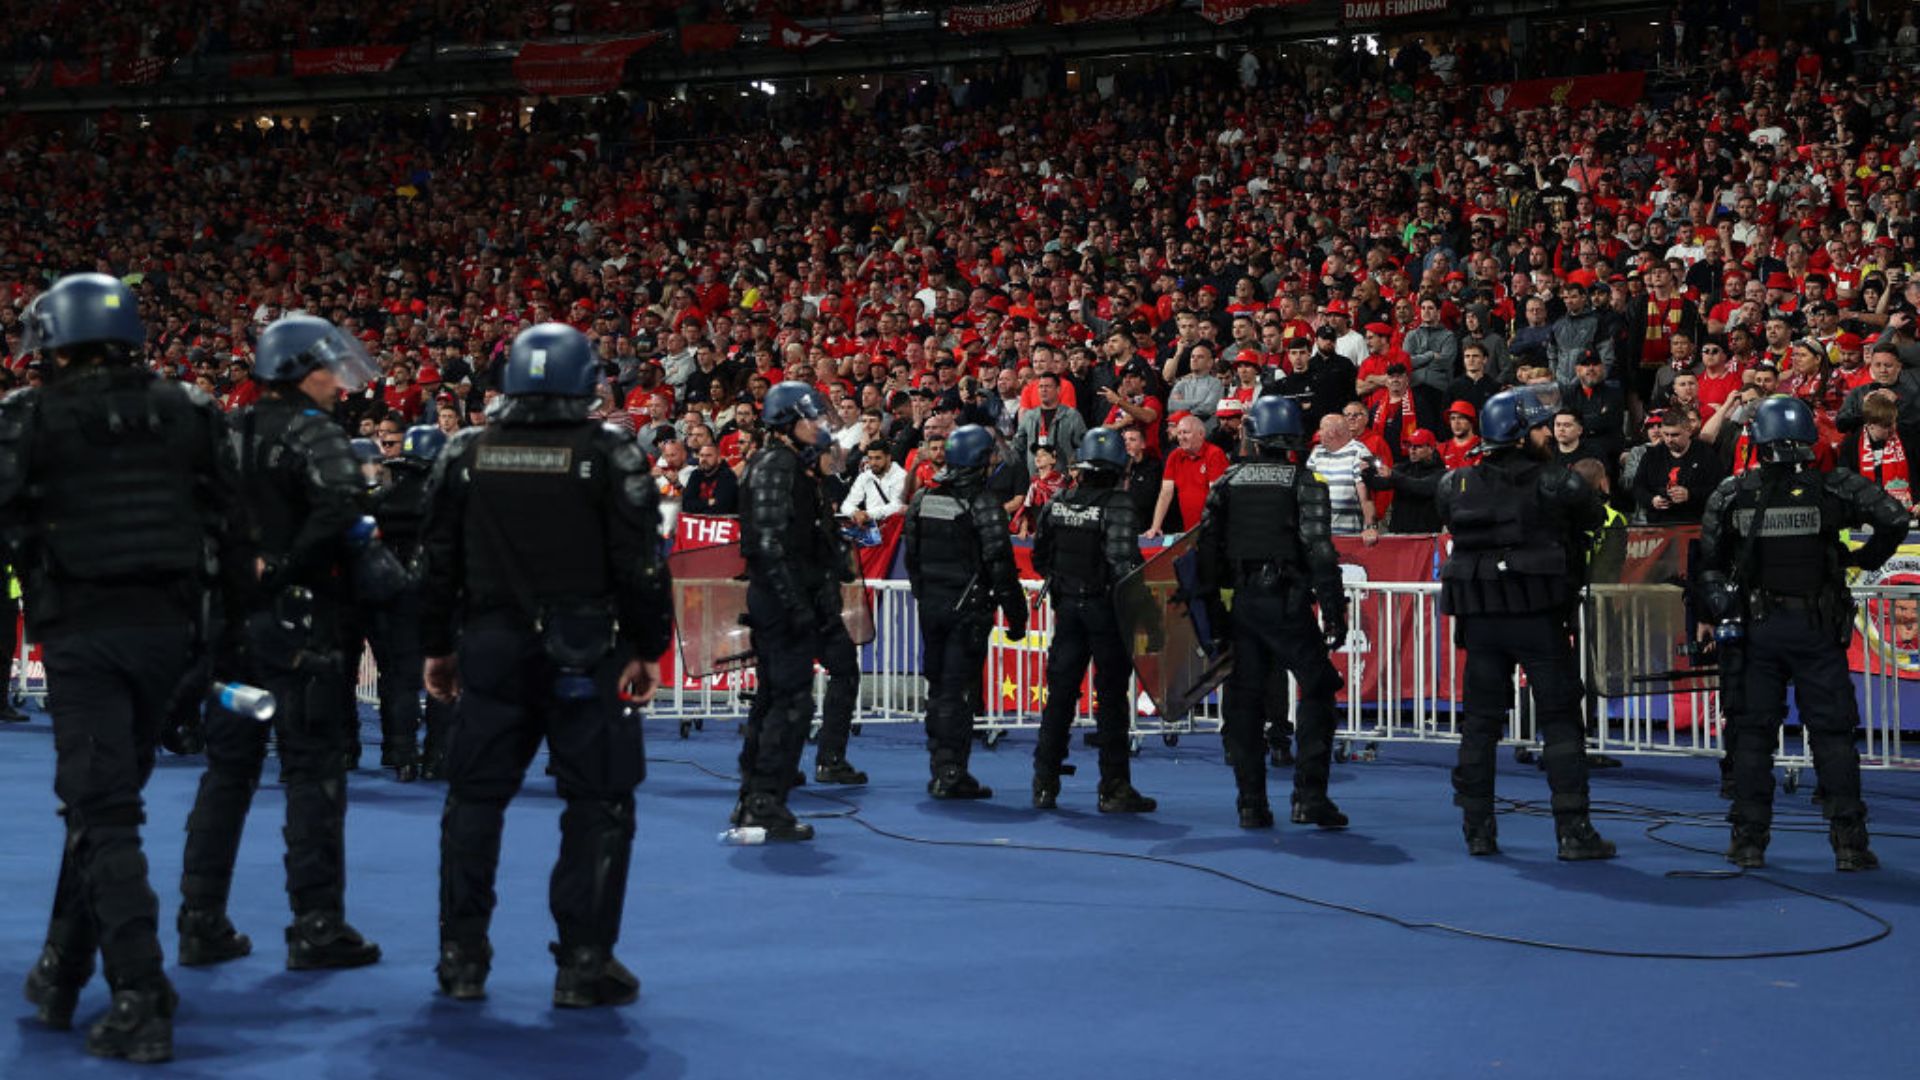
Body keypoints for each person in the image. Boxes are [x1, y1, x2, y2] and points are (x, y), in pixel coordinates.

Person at [2, 274, 232, 1062]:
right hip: (170, 635)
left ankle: (140, 992)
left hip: (84, 636)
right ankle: (62, 970)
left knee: (102, 815)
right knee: (106, 807)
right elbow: (225, 523)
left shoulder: (29, 418)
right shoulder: (189, 411)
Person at [417, 322, 673, 1004]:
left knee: (473, 801)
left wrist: (436, 646)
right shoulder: (610, 453)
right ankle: (584, 965)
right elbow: (643, 566)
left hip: (492, 648)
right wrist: (649, 648)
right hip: (588, 652)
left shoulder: (466, 452)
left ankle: (460, 958)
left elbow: (434, 564)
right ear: (585, 380)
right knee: (598, 803)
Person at [177, 313, 386, 982]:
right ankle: (316, 925)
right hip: (300, 633)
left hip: (231, 631)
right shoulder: (315, 435)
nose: (342, 385)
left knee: (226, 775)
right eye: (331, 369)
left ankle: (199, 921)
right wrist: (288, 563)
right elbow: (341, 507)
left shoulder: (229, 432)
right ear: (301, 371)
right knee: (312, 776)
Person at [1697, 397, 1909, 872]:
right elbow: (1895, 517)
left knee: (1752, 738)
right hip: (1817, 629)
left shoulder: (1734, 492)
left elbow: (1708, 562)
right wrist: (1862, 558)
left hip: (1758, 631)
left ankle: (1748, 842)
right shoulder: (1833, 486)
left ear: (1759, 440)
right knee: (1833, 737)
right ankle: (1850, 846)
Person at [1434, 387, 1615, 860]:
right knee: (1559, 722)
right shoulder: (1556, 480)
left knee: (1479, 724)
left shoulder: (1457, 482)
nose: (1547, 434)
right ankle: (1573, 832)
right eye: (1539, 427)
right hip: (1537, 616)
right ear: (1517, 434)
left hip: (1482, 620)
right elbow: (1594, 517)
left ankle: (1477, 830)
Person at [1194, 397, 1349, 830]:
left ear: (1254, 438)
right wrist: (1334, 608)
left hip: (1241, 605)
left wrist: (1212, 614)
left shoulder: (1227, 481)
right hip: (1288, 603)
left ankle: (1250, 804)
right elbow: (1320, 549)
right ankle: (1309, 798)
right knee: (1318, 689)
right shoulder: (1306, 482)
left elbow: (1205, 552)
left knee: (1244, 704)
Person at [734, 382, 862, 840]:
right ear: (787, 422)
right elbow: (767, 547)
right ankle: (764, 803)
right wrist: (797, 608)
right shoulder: (775, 466)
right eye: (812, 417)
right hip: (783, 605)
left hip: (792, 602)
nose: (821, 425)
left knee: (776, 699)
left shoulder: (793, 467)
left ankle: (756, 795)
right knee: (789, 703)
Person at [1030, 428, 1155, 812]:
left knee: (1060, 698)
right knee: (1113, 700)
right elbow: (1123, 566)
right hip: (1105, 612)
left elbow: (1039, 557)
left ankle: (1044, 784)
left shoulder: (1059, 501)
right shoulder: (1118, 504)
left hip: (1068, 609)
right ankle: (1113, 788)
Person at [904, 424, 1027, 798]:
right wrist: (1016, 616)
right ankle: (952, 772)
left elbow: (912, 560)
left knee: (939, 687)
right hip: (966, 610)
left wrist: (927, 596)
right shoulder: (983, 503)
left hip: (932, 607)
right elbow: (1000, 564)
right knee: (957, 693)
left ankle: (939, 766)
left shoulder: (923, 498)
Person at [365, 424, 445, 782]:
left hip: (393, 601)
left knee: (400, 678)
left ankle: (402, 754)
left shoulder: (381, 503)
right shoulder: (448, 504)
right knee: (442, 676)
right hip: (439, 599)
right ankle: (437, 754)